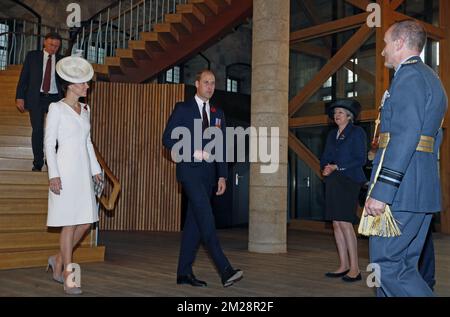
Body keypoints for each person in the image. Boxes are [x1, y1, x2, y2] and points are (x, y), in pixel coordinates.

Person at [364, 20, 447, 297]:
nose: (383, 51)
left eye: (386, 43)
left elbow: (404, 136)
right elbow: (434, 139)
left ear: (400, 43)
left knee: (387, 267)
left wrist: (383, 190)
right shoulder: (430, 78)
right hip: (417, 187)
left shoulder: (409, 77)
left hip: (401, 191)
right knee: (404, 268)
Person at [162, 69, 243, 288]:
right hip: (190, 172)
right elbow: (167, 139)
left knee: (194, 224)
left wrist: (223, 176)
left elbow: (222, 147)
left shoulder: (218, 113)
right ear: (197, 84)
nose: (210, 86)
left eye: (213, 83)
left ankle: (183, 273)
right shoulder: (183, 109)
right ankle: (224, 269)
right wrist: (192, 151)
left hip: (209, 176)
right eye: (206, 82)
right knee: (206, 218)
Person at [44, 55, 103, 295]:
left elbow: (87, 142)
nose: (87, 86)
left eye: (87, 83)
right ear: (70, 84)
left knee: (87, 220)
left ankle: (57, 259)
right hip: (65, 170)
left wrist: (96, 169)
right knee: (68, 224)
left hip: (82, 171)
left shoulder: (85, 110)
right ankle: (69, 273)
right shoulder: (56, 108)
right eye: (83, 83)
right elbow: (49, 144)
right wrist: (53, 174)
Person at [320, 99, 367, 282]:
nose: (336, 115)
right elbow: (324, 156)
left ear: (349, 116)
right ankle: (343, 265)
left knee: (345, 222)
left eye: (340, 112)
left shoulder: (357, 132)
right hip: (333, 180)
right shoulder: (332, 134)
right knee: (336, 223)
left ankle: (355, 269)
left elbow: (361, 159)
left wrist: (336, 166)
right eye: (335, 112)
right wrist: (325, 167)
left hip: (349, 180)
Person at [16, 32, 64, 171]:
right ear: (45, 42)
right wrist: (20, 96)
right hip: (36, 97)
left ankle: (52, 162)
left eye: (57, 46)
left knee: (54, 131)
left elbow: (65, 81)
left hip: (55, 99)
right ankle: (38, 162)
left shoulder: (61, 59)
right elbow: (24, 77)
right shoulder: (32, 56)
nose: (54, 48)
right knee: (37, 130)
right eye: (51, 45)